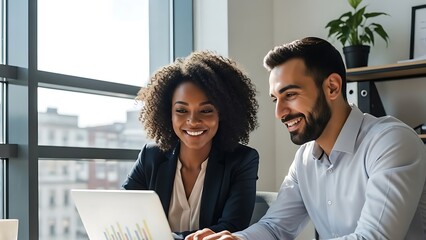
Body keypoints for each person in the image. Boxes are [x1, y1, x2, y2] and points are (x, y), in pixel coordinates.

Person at [186, 37, 426, 240]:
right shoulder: (304, 159)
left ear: (332, 87)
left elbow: (373, 237)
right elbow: (275, 226)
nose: (280, 113)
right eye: (275, 99)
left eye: (290, 94)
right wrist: (237, 238)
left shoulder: (391, 142)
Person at [122, 50, 260, 239]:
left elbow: (231, 228)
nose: (193, 121)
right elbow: (122, 214)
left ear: (222, 113)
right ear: (167, 113)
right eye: (181, 110)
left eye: (205, 110)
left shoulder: (243, 160)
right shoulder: (150, 156)